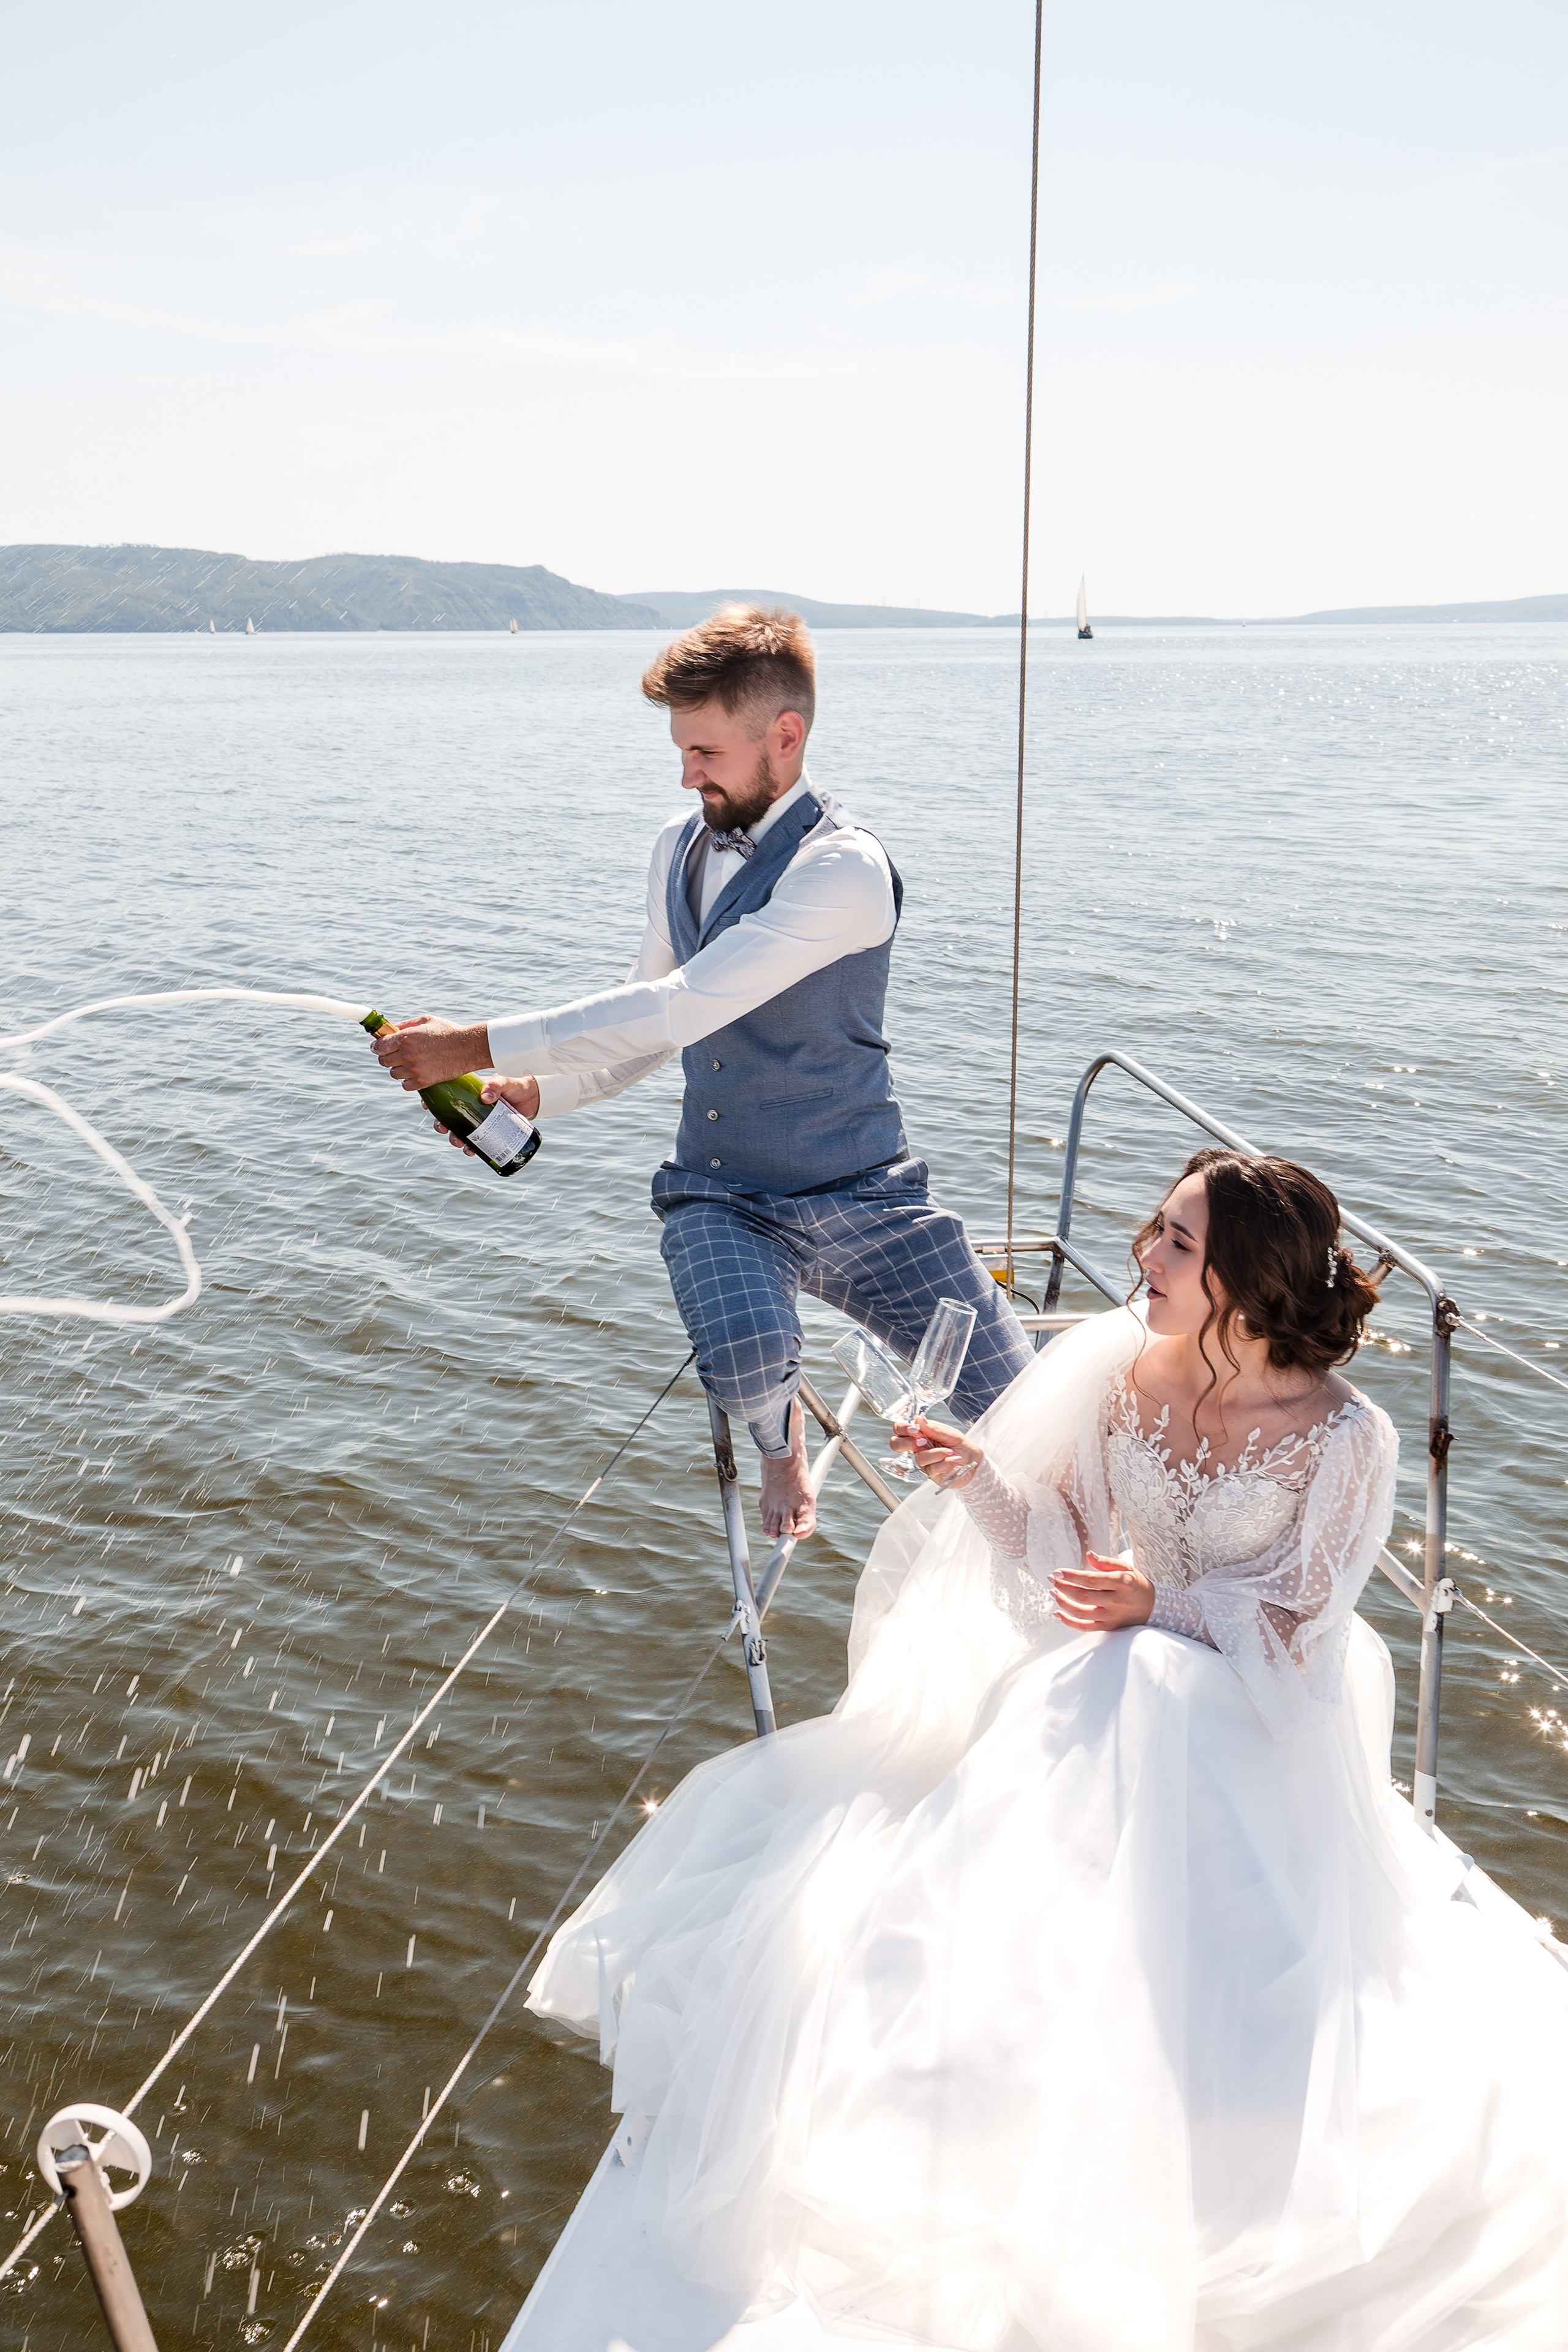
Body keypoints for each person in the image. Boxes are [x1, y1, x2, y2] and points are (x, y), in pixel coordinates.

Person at [527, 1148, 1568, 2350]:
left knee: (1153, 1681)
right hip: (1109, 1674)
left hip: (1243, 1714)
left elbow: (1295, 1632)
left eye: (1177, 1243)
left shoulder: (1344, 1439)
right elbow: (1060, 1541)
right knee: (1089, 1708)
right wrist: (977, 1482)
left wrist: (1156, 1610)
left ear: (1240, 1277)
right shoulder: (1124, 1369)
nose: (1144, 1256)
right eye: (1156, 1231)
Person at [369, 604, 1031, 1540]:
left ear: (785, 736)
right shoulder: (678, 849)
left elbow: (681, 1005)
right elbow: (648, 1027)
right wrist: (536, 1091)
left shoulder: (845, 869)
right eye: (682, 750)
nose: (687, 775)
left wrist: (473, 1044)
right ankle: (781, 1448)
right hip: (725, 1196)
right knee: (750, 1353)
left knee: (1031, 1414)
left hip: (869, 1194)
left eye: (707, 753)